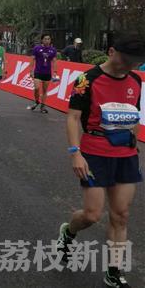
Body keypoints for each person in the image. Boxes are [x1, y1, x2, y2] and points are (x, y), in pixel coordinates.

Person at [56, 33, 144, 288]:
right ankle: (68, 231)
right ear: (112, 52)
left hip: (125, 155)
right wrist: (75, 152)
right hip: (94, 152)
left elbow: (134, 114)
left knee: (121, 215)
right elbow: (73, 117)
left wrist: (134, 144)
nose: (130, 67)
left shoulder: (135, 80)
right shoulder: (87, 80)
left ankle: (113, 272)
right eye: (126, 61)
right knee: (93, 214)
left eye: (136, 63)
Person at [28, 34, 58, 113]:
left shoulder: (53, 50)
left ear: (50, 40)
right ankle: (37, 101)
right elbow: (32, 59)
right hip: (38, 71)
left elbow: (54, 61)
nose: (47, 40)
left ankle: (42, 106)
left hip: (47, 73)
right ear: (42, 40)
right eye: (45, 39)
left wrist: (55, 72)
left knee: (45, 91)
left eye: (48, 39)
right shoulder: (37, 48)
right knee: (37, 88)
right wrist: (31, 71)